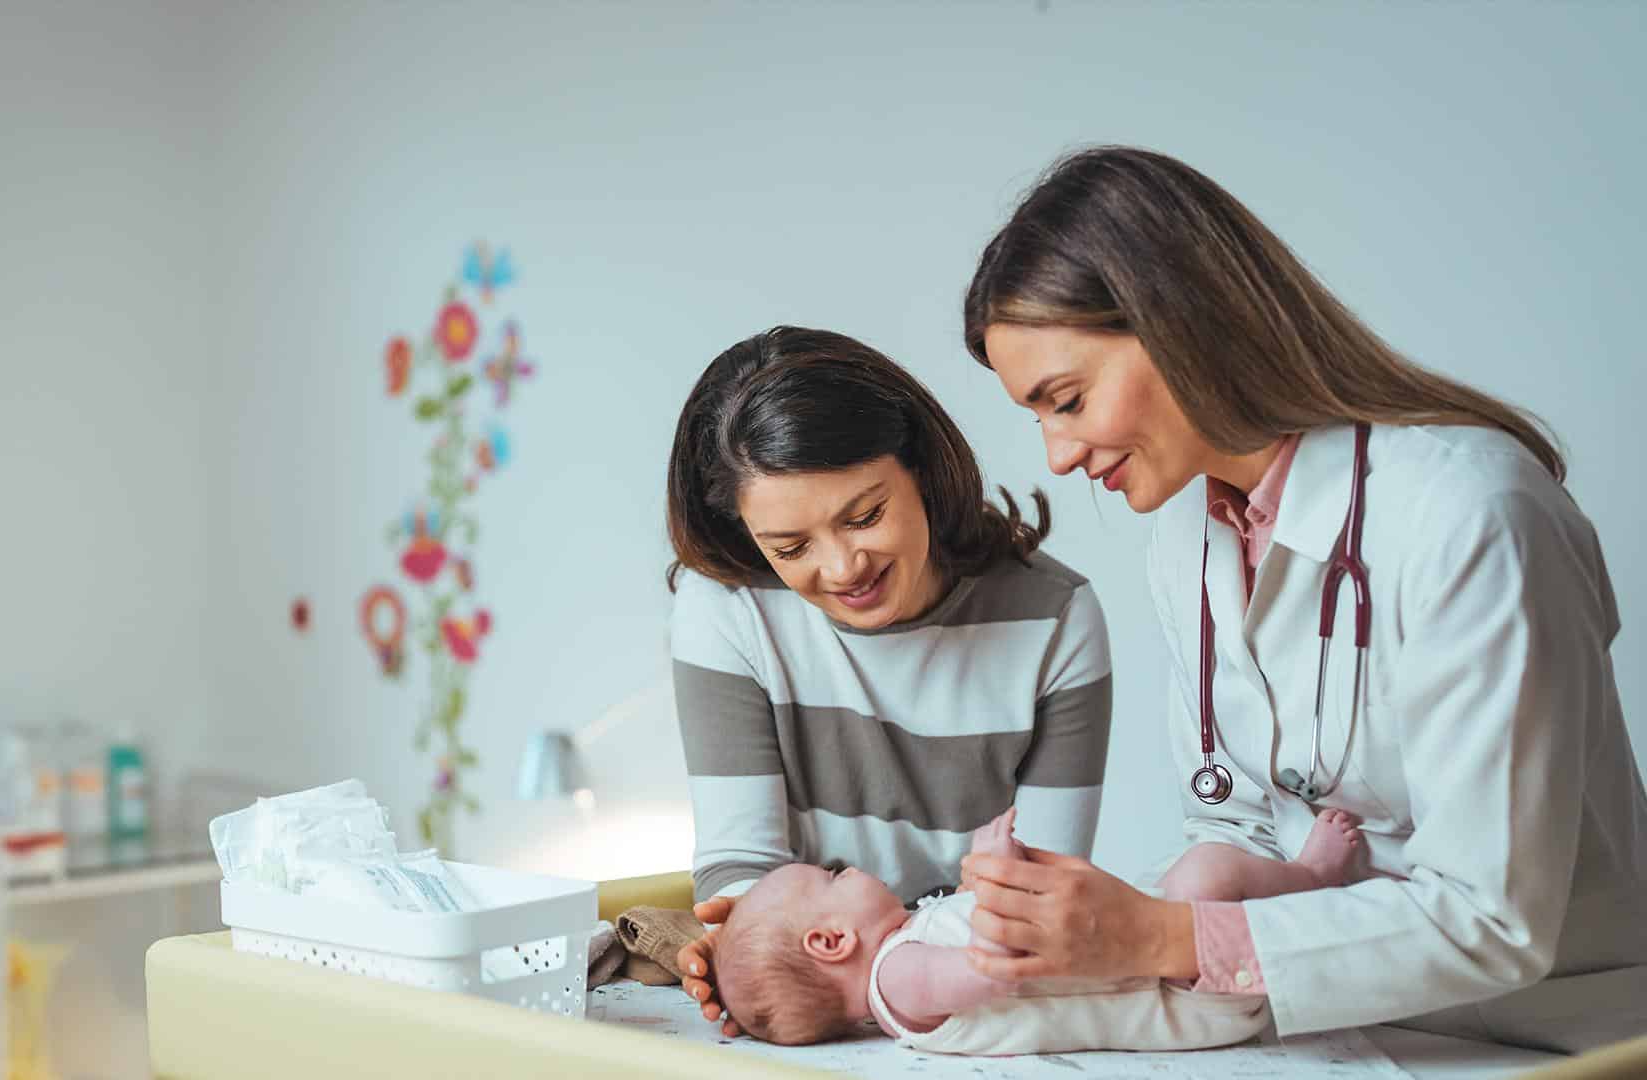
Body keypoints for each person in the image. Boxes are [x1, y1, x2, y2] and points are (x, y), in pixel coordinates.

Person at [958, 145, 1647, 1054]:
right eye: (1037, 417)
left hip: (1553, 1036)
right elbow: (1239, 819)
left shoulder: (1472, 511)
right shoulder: (1190, 535)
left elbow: (1495, 915)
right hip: (1329, 1022)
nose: (1058, 456)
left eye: (1069, 399)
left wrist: (1161, 936)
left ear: (1178, 323)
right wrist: (1101, 922)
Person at [665, 326, 1114, 1035]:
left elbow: (1041, 891)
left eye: (865, 515)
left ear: (922, 471)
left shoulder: (1053, 619)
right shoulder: (727, 610)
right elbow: (742, 864)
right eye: (791, 548)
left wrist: (920, 969)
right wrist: (753, 958)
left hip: (984, 995)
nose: (844, 568)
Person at [711, 804, 1363, 1053]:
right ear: (832, 941)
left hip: (1171, 965)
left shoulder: (915, 943)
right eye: (834, 877)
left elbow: (985, 946)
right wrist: (996, 880)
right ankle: (1312, 877)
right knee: (1204, 874)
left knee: (1189, 876)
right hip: (1189, 993)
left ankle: (1304, 898)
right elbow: (988, 969)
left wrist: (995, 879)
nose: (849, 871)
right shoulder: (897, 981)